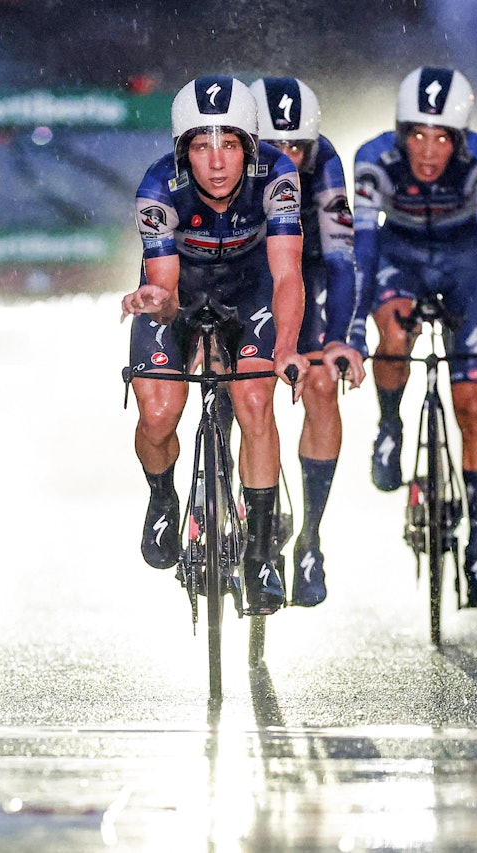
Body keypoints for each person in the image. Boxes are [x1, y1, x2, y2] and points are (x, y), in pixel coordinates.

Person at [121, 75, 310, 616]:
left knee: (254, 399)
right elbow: (165, 287)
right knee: (159, 413)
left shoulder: (278, 174)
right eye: (202, 147)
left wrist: (287, 348)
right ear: (183, 152)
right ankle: (163, 497)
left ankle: (260, 555)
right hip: (179, 293)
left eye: (229, 144)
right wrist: (154, 302)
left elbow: (287, 274)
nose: (218, 162)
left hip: (251, 291)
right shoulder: (158, 185)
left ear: (250, 147)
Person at [350, 67, 477, 608]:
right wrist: (355, 324)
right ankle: (390, 424)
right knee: (393, 329)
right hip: (397, 255)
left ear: (461, 139)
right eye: (417, 135)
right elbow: (363, 249)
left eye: (442, 138)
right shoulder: (374, 158)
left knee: (474, 405)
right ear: (400, 133)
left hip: (464, 263)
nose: (428, 151)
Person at [248, 76, 366, 607]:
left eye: (298, 146)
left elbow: (342, 260)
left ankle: (310, 538)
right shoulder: (226, 156)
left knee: (320, 384)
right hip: (246, 268)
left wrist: (338, 338)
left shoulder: (328, 164)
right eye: (274, 145)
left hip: (309, 268)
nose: (287, 158)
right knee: (238, 384)